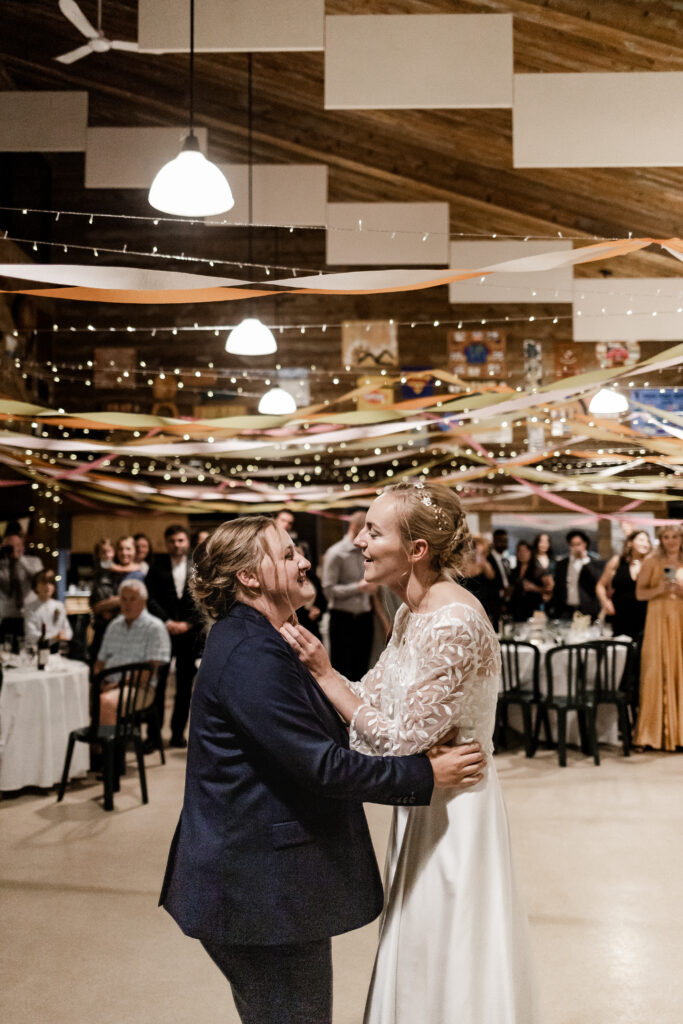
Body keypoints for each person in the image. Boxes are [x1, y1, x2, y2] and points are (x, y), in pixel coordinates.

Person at [159, 515, 485, 1024]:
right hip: (259, 891)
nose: (304, 560)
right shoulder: (250, 653)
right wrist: (425, 774)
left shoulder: (267, 638)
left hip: (263, 884)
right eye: (288, 554)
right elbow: (324, 766)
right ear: (249, 576)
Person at [282, 481, 537, 1024]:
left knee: (446, 946)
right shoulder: (409, 612)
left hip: (455, 809)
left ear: (416, 551)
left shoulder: (453, 622)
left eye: (373, 532)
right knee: (419, 945)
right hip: (424, 800)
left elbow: (401, 743)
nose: (360, 543)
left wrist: (326, 676)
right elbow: (371, 697)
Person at [146, 524, 201, 748]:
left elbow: (204, 599)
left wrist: (188, 624)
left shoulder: (198, 567)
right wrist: (167, 622)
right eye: (172, 541)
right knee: (156, 685)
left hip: (189, 634)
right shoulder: (156, 566)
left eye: (180, 541)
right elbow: (149, 598)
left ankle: (178, 734)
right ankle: (153, 736)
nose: (176, 545)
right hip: (163, 632)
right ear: (166, 543)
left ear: (187, 542)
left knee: (184, 687)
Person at [633, 525, 683, 751]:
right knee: (655, 670)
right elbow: (639, 593)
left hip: (680, 619)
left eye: (675, 536)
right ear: (661, 540)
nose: (671, 541)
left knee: (679, 671)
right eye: (666, 537)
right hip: (657, 620)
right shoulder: (652, 562)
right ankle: (650, 733)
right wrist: (659, 590)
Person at [94, 579, 171, 726]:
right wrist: (100, 683)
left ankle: (107, 746)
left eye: (132, 599)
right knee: (76, 696)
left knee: (106, 702)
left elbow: (147, 672)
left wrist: (116, 686)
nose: (127, 604)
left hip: (139, 688)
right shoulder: (114, 625)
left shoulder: (155, 627)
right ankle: (96, 743)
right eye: (123, 599)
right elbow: (100, 662)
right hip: (107, 684)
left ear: (143, 600)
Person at [322, 511, 376, 679]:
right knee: (342, 672)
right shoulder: (336, 553)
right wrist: (358, 588)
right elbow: (328, 590)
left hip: (365, 618)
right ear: (354, 527)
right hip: (343, 619)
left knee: (364, 671)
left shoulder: (369, 551)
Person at [89, 535, 145, 662]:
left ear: (135, 551)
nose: (124, 552)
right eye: (120, 549)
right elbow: (95, 606)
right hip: (104, 630)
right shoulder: (109, 572)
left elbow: (137, 604)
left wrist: (114, 602)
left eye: (128, 549)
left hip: (130, 632)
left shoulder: (142, 574)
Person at [595, 530, 651, 638]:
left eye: (647, 541)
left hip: (646, 614)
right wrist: (605, 602)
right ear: (630, 543)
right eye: (641, 540)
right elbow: (600, 585)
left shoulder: (651, 563)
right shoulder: (618, 561)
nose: (645, 543)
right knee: (622, 649)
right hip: (620, 613)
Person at [0, 527, 44, 650]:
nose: (14, 548)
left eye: (18, 545)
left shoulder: (33, 561)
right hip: (8, 618)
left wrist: (20, 559)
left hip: (30, 618)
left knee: (30, 655)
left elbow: (38, 578)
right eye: (10, 546)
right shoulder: (1, 565)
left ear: (23, 546)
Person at [548, 529, 603, 620]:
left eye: (578, 544)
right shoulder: (562, 564)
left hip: (587, 610)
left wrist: (584, 560)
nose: (575, 547)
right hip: (565, 610)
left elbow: (597, 581)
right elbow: (558, 588)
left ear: (584, 544)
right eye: (572, 545)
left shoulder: (594, 563)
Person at [23, 569, 73, 647]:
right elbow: (31, 635)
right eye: (44, 583)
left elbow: (68, 630)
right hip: (36, 650)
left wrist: (63, 635)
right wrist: (54, 637)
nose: (48, 586)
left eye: (50, 583)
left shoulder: (59, 606)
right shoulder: (30, 607)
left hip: (57, 651)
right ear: (36, 586)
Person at [509, 540, 553, 622]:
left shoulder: (539, 570)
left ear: (530, 552)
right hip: (516, 611)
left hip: (534, 610)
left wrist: (534, 588)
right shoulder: (514, 571)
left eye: (525, 551)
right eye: (520, 551)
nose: (522, 554)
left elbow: (550, 589)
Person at [485, 527, 512, 631]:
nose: (503, 543)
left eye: (505, 541)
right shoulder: (488, 560)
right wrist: (501, 592)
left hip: (505, 604)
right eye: (500, 540)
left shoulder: (505, 561)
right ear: (494, 541)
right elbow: (486, 585)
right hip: (492, 604)